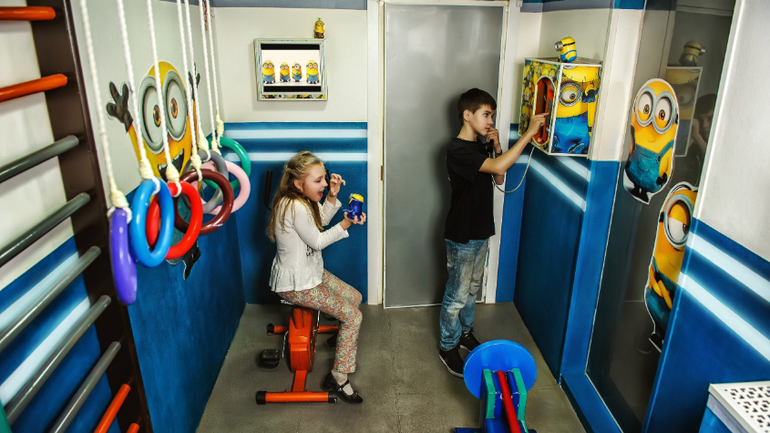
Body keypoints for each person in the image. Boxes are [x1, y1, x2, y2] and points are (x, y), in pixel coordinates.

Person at [439, 88, 546, 377]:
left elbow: (499, 177)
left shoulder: (480, 146)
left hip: (480, 230)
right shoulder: (457, 150)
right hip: (462, 233)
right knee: (457, 294)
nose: (490, 121)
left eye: (492, 116)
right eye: (486, 114)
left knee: (472, 289)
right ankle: (447, 346)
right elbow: (499, 167)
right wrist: (529, 133)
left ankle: (465, 333)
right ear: (467, 114)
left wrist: (497, 145)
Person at [268, 151, 367, 403]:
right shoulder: (295, 206)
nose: (324, 183)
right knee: (353, 316)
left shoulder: (301, 200)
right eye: (318, 180)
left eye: (325, 178)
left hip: (311, 273)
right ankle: (338, 377)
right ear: (298, 183)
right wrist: (346, 224)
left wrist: (332, 196)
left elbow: (318, 222)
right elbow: (318, 241)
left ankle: (343, 339)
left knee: (354, 298)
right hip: (297, 284)